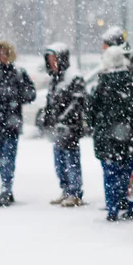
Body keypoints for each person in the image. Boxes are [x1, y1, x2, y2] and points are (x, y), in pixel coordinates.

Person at [88, 46, 133, 221]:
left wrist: (99, 127)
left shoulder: (100, 86)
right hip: (131, 138)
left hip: (107, 140)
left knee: (111, 173)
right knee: (132, 173)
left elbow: (91, 113)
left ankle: (112, 208)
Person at [0, 40, 36, 207]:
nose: (2, 57)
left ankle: (6, 187)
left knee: (9, 157)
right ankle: (5, 186)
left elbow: (30, 94)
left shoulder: (18, 73)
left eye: (5, 53)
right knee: (0, 156)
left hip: (11, 122)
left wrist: (15, 98)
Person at [43, 43, 86, 207]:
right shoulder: (55, 79)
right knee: (59, 161)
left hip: (70, 129)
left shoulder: (73, 77)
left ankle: (75, 192)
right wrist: (48, 120)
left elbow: (78, 102)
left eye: (54, 59)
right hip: (57, 129)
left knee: (71, 160)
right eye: (49, 60)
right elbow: (50, 102)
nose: (52, 63)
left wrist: (64, 119)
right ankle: (66, 189)